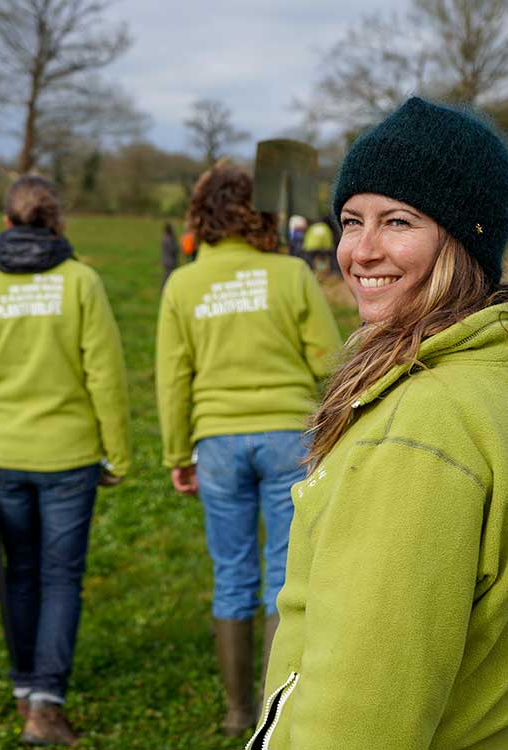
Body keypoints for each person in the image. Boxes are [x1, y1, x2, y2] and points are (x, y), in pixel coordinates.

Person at [253, 98, 508, 749]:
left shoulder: (417, 437)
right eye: (351, 221)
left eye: (398, 221)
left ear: (467, 235)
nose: (360, 251)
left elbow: (359, 723)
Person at [155, 162, 343, 737]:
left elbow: (173, 377)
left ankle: (238, 711)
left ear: (200, 215)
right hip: (290, 435)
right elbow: (331, 363)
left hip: (215, 443)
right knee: (285, 576)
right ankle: (274, 705)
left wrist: (176, 455)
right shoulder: (291, 275)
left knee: (231, 571)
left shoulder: (182, 284)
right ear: (260, 211)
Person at [0, 175, 131, 747]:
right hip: (70, 457)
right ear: (59, 223)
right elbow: (105, 372)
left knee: (18, 574)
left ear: (6, 224)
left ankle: (26, 688)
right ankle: (46, 704)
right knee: (59, 577)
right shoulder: (81, 282)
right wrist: (118, 452)